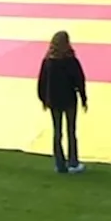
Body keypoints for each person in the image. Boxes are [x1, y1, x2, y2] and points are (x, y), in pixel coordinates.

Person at [36, 30, 89, 174]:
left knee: (57, 132)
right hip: (69, 100)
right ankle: (73, 163)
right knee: (71, 131)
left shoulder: (48, 61)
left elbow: (42, 82)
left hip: (54, 102)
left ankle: (60, 164)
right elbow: (79, 80)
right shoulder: (71, 60)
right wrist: (84, 98)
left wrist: (43, 99)